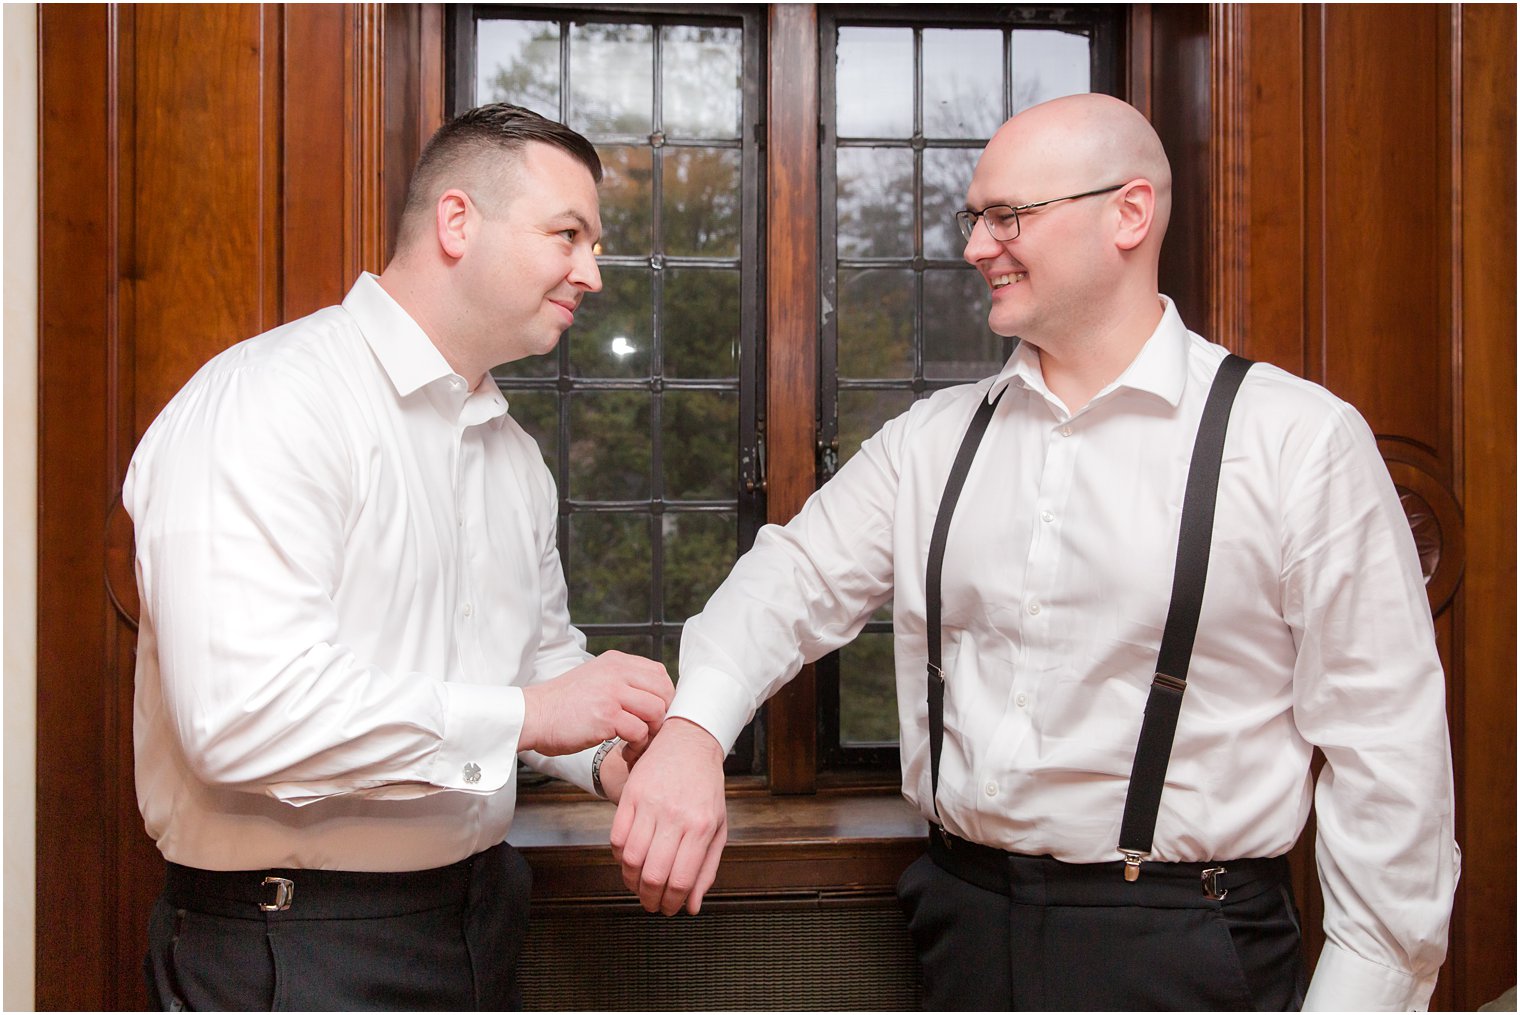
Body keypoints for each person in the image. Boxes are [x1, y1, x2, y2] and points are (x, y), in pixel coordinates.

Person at [611, 93, 1458, 1011]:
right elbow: (794, 576)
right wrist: (694, 730)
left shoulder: (1299, 440)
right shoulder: (932, 439)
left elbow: (1391, 765)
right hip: (962, 923)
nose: (976, 246)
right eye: (974, 217)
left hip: (1188, 945)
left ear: (1128, 213)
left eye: (1008, 216)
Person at [126, 103, 674, 1010]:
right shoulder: (269, 403)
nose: (593, 272)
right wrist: (533, 713)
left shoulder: (514, 456)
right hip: (290, 945)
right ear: (458, 222)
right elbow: (240, 714)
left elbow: (535, 660)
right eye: (569, 234)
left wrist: (615, 751)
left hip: (480, 918)